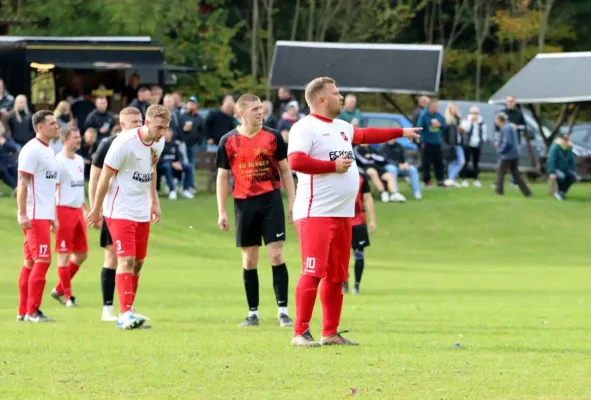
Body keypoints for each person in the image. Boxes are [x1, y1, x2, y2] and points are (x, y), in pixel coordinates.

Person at [287, 77, 421, 347]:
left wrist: (400, 132)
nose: (341, 97)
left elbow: (366, 135)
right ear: (322, 99)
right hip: (316, 212)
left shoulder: (342, 127)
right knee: (313, 271)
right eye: (336, 94)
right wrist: (331, 166)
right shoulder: (304, 127)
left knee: (338, 276)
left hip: (342, 213)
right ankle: (300, 333)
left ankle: (330, 333)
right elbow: (296, 161)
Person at [216, 94, 296, 328]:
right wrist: (222, 210)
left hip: (271, 201)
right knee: (249, 259)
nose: (260, 112)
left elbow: (285, 169)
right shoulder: (228, 141)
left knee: (276, 255)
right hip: (244, 204)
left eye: (261, 108)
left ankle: (283, 311)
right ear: (241, 113)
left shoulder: (273, 137)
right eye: (254, 109)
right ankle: (253, 313)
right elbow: (223, 176)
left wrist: (292, 200)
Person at [87, 104, 168, 330]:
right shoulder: (123, 144)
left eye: (166, 128)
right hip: (119, 209)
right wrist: (95, 209)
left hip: (141, 209)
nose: (162, 132)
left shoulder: (159, 142)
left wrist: (154, 201)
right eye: (159, 127)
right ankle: (123, 314)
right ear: (147, 123)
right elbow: (103, 178)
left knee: (138, 263)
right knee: (125, 260)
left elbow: (151, 171)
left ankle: (129, 310)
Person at [88, 107, 144, 322]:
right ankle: (108, 308)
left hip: (136, 211)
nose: (138, 125)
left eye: (140, 121)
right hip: (113, 209)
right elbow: (95, 177)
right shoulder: (108, 144)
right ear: (122, 124)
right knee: (114, 257)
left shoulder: (144, 144)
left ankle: (127, 305)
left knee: (136, 259)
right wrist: (96, 207)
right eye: (134, 122)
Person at [16, 110, 60, 322]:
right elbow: (22, 184)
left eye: (56, 123)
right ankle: (33, 311)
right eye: (51, 124)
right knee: (43, 260)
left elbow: (46, 186)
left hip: (43, 215)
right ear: (39, 127)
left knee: (30, 263)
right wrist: (23, 213)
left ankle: (23, 312)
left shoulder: (49, 151)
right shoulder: (31, 150)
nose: (56, 126)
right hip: (33, 216)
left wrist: (52, 214)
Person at [50, 127, 88, 307]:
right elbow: (52, 191)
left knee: (81, 254)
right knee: (63, 255)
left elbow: (79, 187)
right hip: (63, 211)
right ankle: (67, 296)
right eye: (75, 137)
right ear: (65, 140)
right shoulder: (57, 162)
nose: (79, 140)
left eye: (79, 137)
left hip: (78, 211)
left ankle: (58, 289)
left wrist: (86, 208)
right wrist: (52, 217)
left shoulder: (80, 160)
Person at [342, 173, 376, 295]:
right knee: (341, 255)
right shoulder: (336, 175)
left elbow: (367, 198)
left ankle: (356, 284)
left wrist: (372, 220)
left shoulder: (361, 177)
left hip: (358, 222)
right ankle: (344, 281)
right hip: (341, 222)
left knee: (359, 254)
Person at [494, 112, 532, 197]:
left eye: (496, 120)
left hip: (508, 155)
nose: (495, 121)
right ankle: (527, 192)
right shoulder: (510, 127)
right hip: (514, 154)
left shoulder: (505, 128)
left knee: (500, 172)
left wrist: (500, 150)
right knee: (515, 174)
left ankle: (499, 192)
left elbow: (507, 142)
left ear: (500, 120)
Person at [417, 99, 446, 187]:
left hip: (437, 142)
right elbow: (419, 128)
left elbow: (445, 126)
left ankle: (440, 180)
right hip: (427, 142)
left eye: (437, 106)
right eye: (435, 106)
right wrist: (421, 141)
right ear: (430, 107)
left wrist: (440, 125)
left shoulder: (439, 116)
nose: (437, 108)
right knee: (426, 163)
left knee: (439, 162)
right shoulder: (424, 116)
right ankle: (427, 180)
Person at [459, 106, 487, 187]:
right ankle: (464, 179)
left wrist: (482, 142)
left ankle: (476, 179)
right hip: (468, 144)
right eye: (472, 113)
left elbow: (484, 134)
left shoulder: (481, 123)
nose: (474, 115)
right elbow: (464, 130)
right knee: (466, 162)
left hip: (477, 145)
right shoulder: (466, 121)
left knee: (476, 163)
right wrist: (470, 122)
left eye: (476, 113)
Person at [546, 132, 579, 201]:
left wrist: (575, 172)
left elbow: (572, 161)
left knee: (574, 176)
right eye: (564, 139)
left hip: (565, 169)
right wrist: (552, 172)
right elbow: (551, 161)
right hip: (556, 168)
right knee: (561, 176)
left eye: (567, 139)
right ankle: (558, 192)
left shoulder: (569, 148)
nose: (565, 140)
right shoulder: (555, 148)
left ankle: (562, 192)